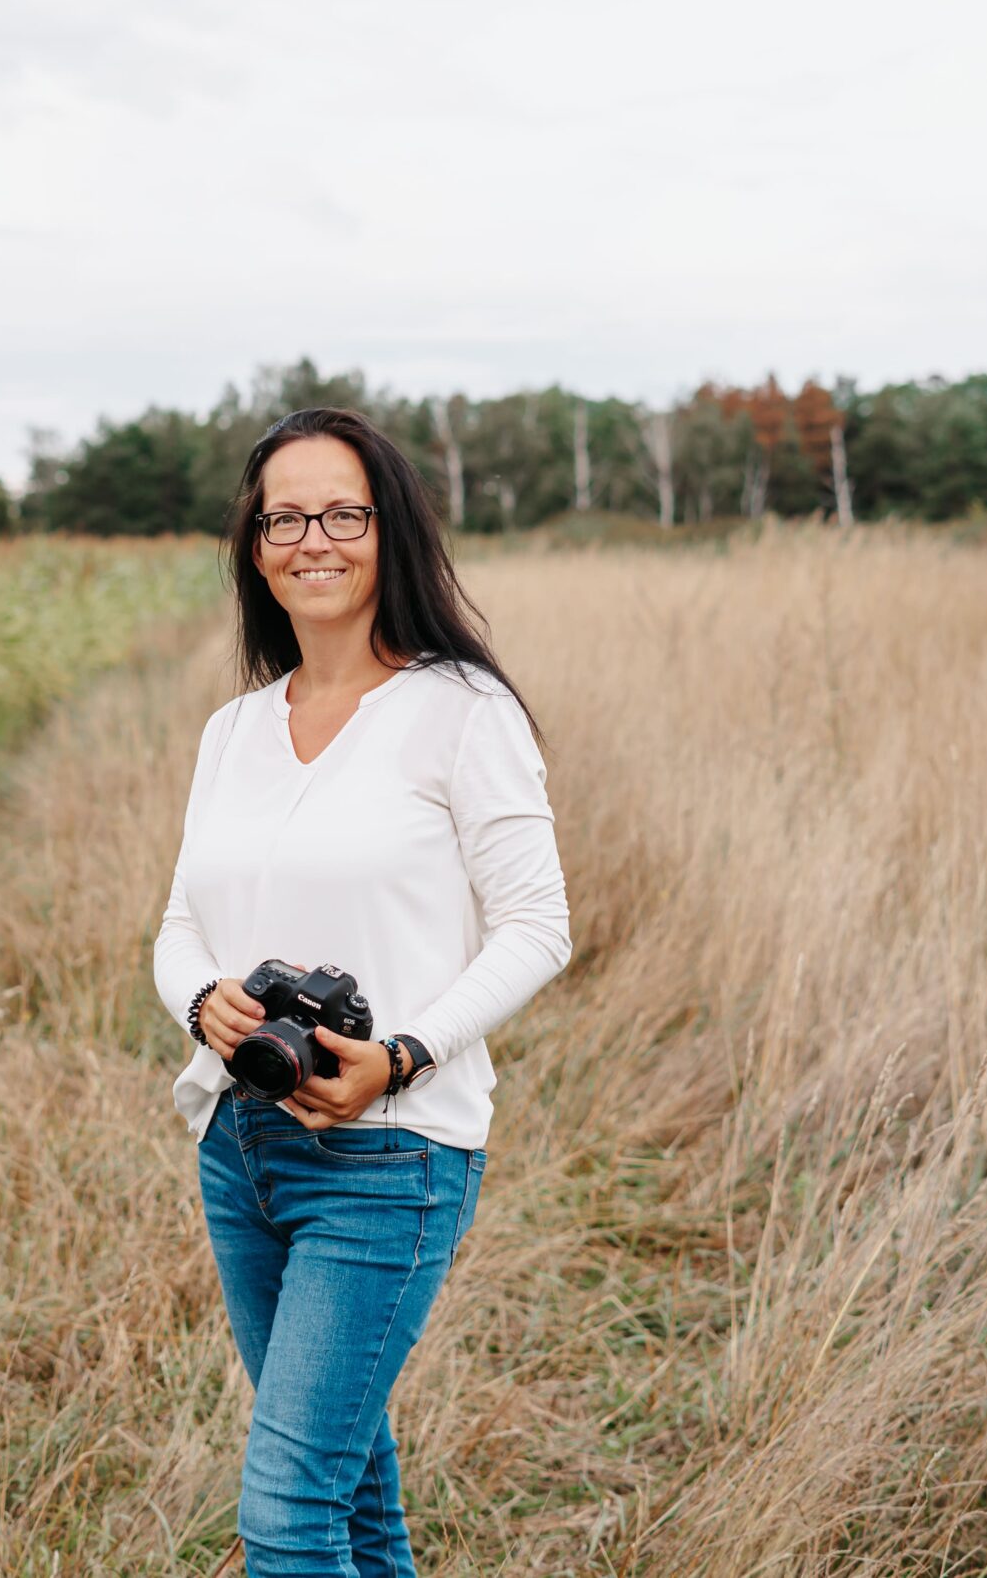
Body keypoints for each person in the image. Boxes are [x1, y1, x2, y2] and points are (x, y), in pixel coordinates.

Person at [151, 406, 574, 1576]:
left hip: (391, 1157)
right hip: (241, 1146)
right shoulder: (232, 731)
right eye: (283, 517)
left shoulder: (460, 712)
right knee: (350, 1492)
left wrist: (403, 1053)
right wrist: (204, 1005)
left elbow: (540, 925)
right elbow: (181, 922)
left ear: (390, 530)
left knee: (285, 1518)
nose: (312, 539)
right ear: (253, 546)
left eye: (342, 511)